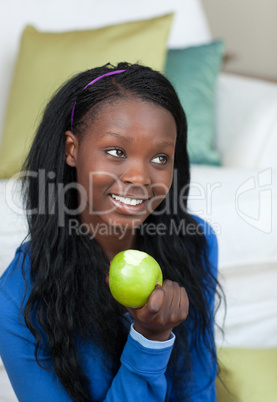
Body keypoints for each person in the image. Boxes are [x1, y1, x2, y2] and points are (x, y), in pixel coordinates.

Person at [0, 62, 222, 401]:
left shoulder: (195, 243)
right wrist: (150, 339)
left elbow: (198, 391)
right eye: (117, 152)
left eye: (160, 158)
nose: (140, 177)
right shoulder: (17, 300)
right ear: (72, 150)